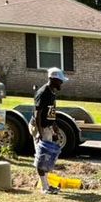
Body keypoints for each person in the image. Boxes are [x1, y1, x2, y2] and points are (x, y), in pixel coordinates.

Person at [32, 67, 68, 195]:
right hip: (40, 127)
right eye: (60, 81)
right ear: (52, 79)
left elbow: (50, 112)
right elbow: (37, 114)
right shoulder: (43, 92)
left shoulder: (52, 92)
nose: (61, 83)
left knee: (47, 157)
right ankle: (44, 188)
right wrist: (40, 133)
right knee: (42, 157)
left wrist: (54, 127)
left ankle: (46, 185)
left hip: (47, 127)